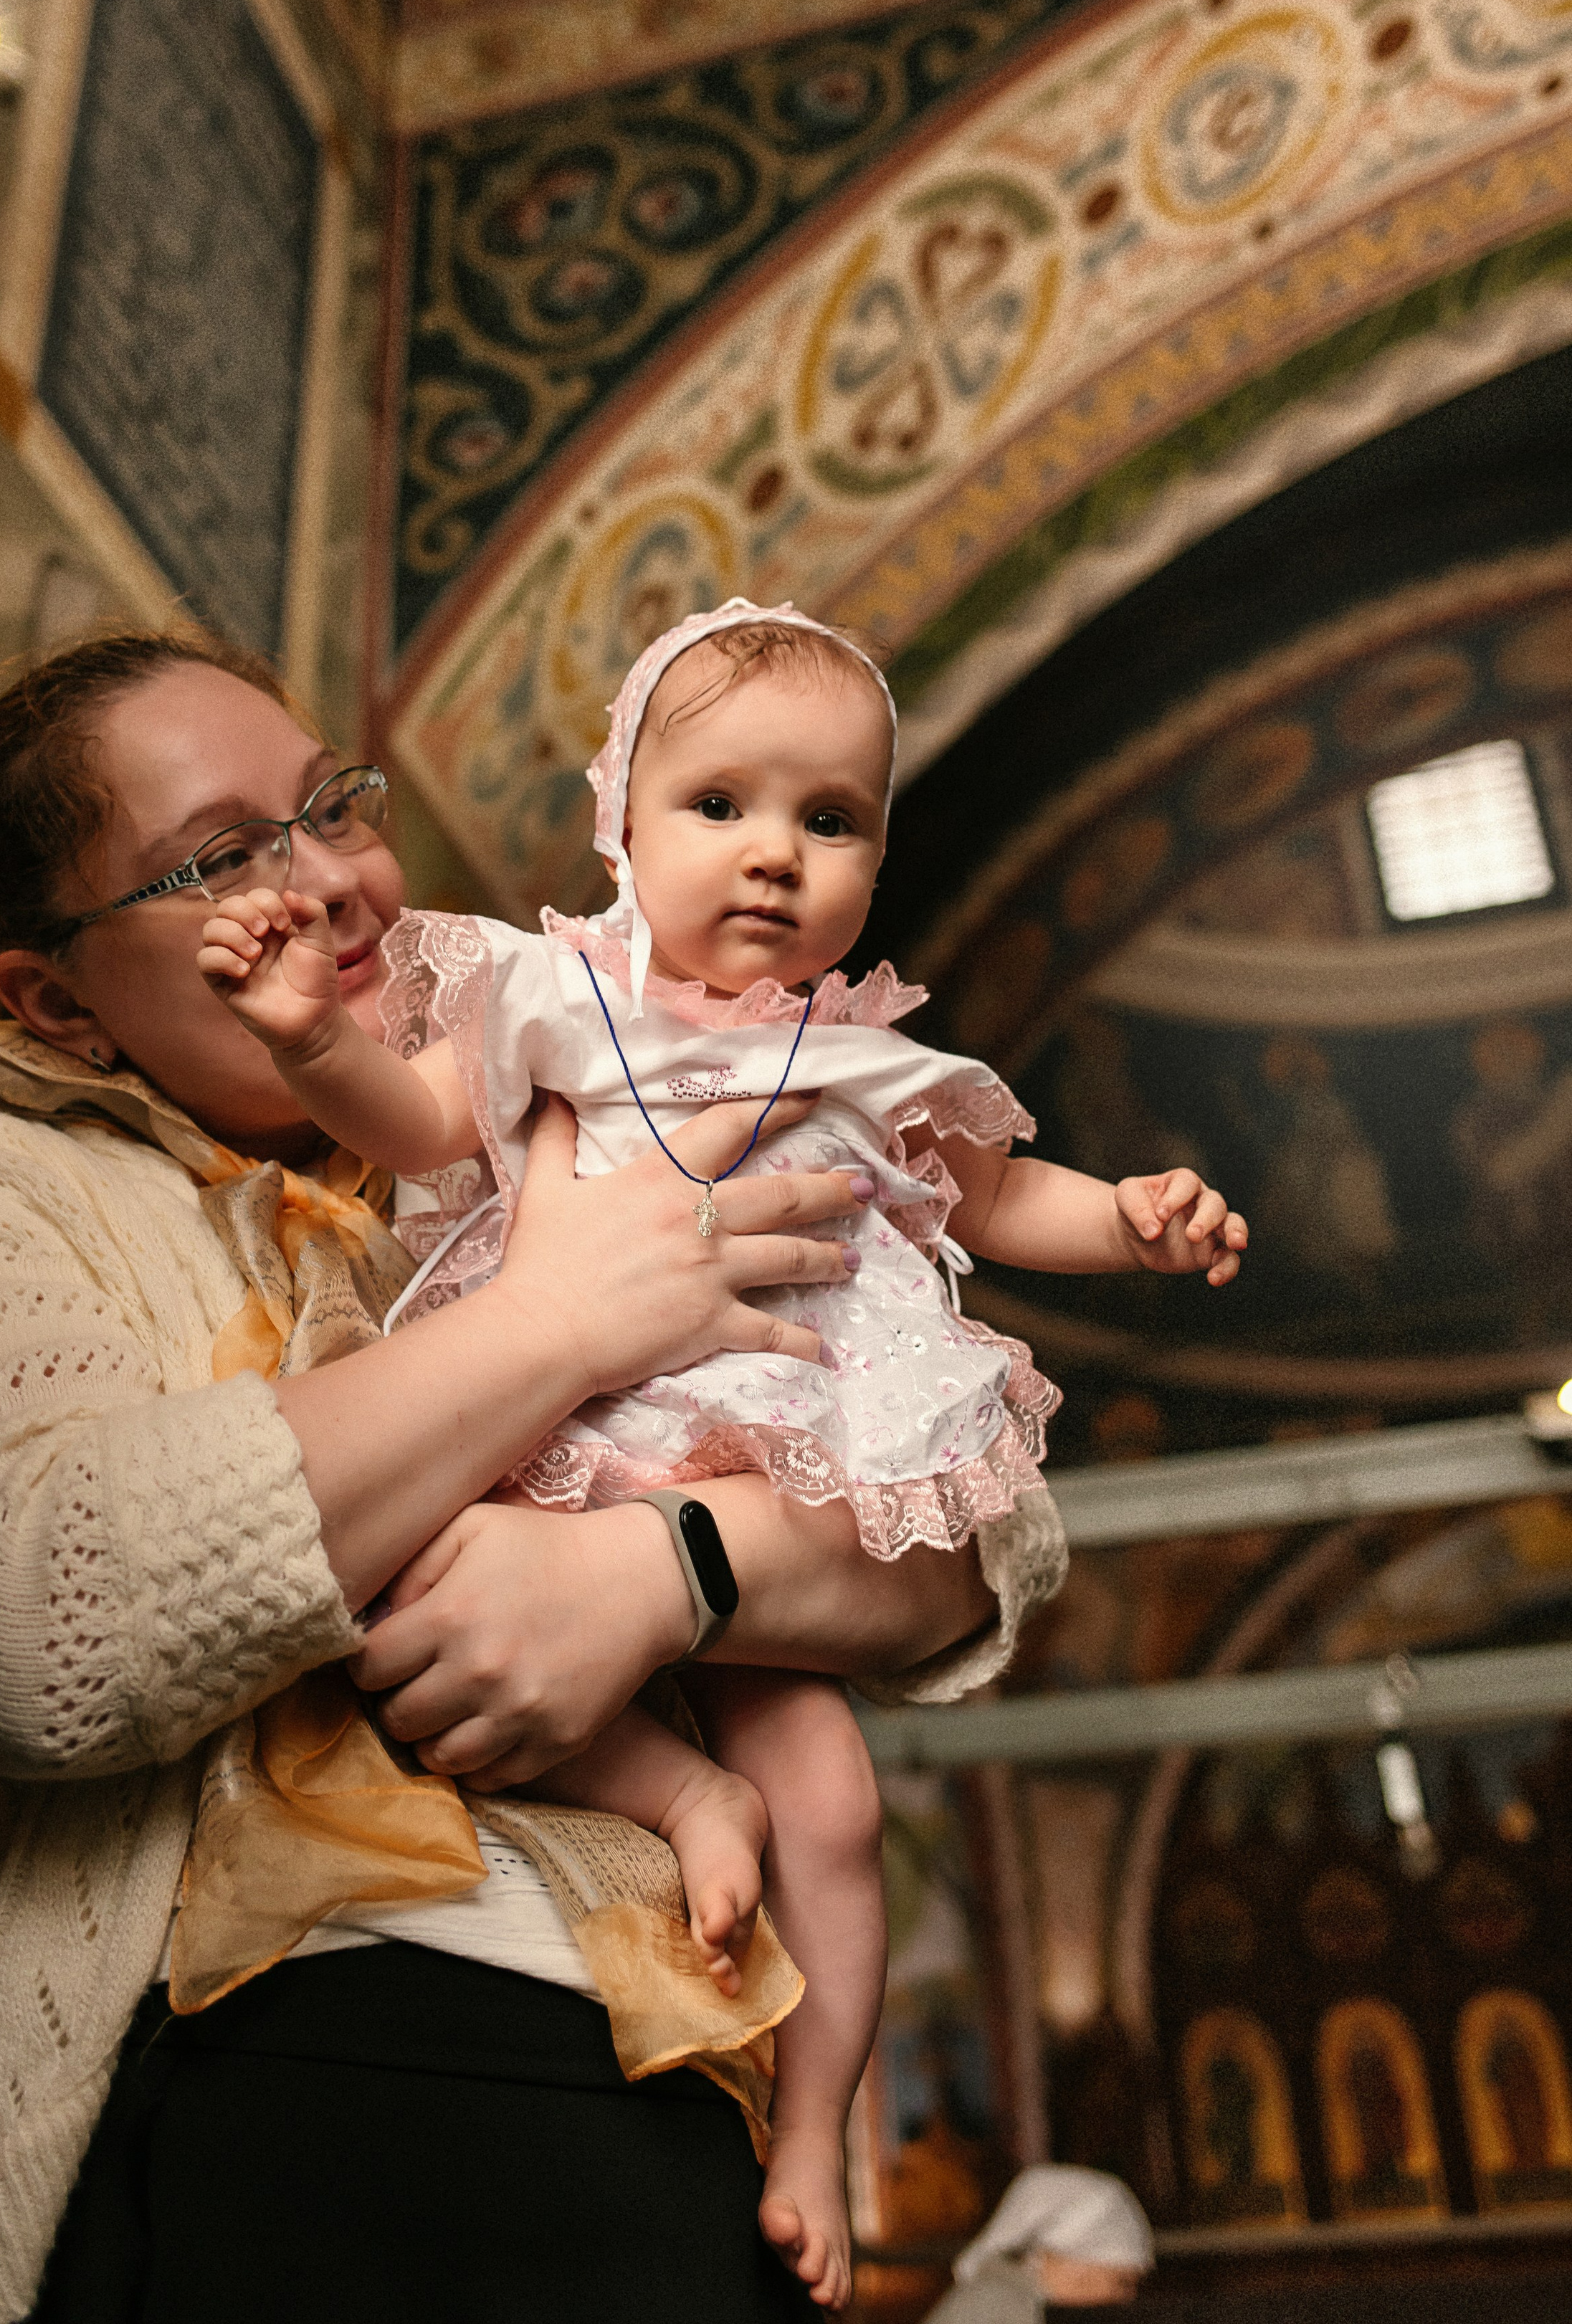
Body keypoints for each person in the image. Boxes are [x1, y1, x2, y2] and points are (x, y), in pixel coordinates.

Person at [0, 627, 1071, 2324]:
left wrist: (670, 1566)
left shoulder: (564, 1092)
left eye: (329, 804)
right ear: (55, 994)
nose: (330, 882)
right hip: (187, 2136)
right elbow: (42, 1620)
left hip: (650, 2092)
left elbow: (986, 1524)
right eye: (223, 856)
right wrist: (557, 1321)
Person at [195, 600, 1247, 2310]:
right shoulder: (547, 992)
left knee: (828, 1804)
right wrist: (317, 1043)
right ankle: (676, 1791)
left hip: (754, 1471)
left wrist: (1131, 1220)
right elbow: (421, 1120)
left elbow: (994, 1195)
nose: (774, 853)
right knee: (417, 1610)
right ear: (620, 812)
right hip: (552, 1433)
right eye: (720, 805)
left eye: (827, 820)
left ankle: (814, 2119)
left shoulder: (866, 1060)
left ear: (873, 858)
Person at [925, 2167, 1155, 2318]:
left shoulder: (1016, 2300)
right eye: (1121, 2282)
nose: (1127, 2297)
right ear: (1071, 2264)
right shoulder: (1000, 2306)